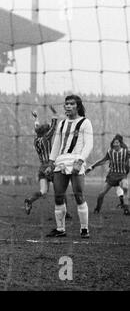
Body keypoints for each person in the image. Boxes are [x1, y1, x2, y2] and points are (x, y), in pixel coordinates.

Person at [45, 95, 93, 238]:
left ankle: (84, 229)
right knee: (58, 196)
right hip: (61, 161)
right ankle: (60, 229)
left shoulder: (85, 122)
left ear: (77, 106)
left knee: (79, 195)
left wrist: (80, 160)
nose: (68, 106)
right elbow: (56, 144)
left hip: (76, 160)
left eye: (71, 104)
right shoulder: (62, 124)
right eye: (66, 104)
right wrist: (51, 163)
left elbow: (89, 144)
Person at [24, 106, 71, 219]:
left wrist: (36, 118)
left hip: (41, 168)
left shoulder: (36, 140)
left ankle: (29, 201)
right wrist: (55, 113)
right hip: (51, 167)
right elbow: (54, 126)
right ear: (46, 131)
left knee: (43, 191)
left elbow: (36, 127)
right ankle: (66, 212)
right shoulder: (46, 138)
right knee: (61, 190)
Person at [85, 134, 130, 215]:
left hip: (122, 175)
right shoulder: (110, 151)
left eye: (117, 142)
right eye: (114, 142)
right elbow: (103, 161)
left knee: (125, 189)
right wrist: (92, 167)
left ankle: (126, 210)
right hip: (112, 176)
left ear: (120, 143)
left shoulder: (126, 151)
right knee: (101, 193)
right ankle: (97, 209)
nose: (115, 144)